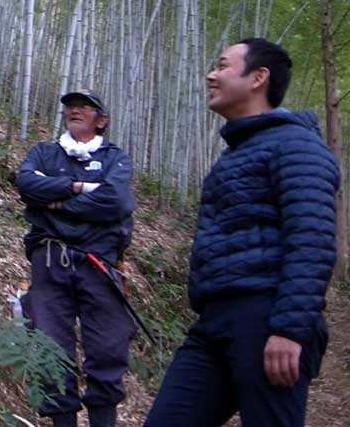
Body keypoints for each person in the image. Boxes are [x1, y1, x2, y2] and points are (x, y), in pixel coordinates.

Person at [144, 38, 339, 427]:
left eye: (222, 66)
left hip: (265, 316)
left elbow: (312, 238)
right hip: (215, 321)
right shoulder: (240, 151)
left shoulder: (296, 145)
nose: (210, 75)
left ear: (258, 77)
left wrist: (288, 328)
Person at [16, 90, 136, 427]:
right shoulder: (44, 153)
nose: (75, 111)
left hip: (100, 264)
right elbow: (26, 185)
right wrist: (81, 188)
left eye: (85, 107)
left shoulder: (116, 158)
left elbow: (116, 202)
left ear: (102, 119)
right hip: (50, 261)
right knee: (51, 349)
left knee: (108, 348)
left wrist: (54, 202)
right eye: (70, 106)